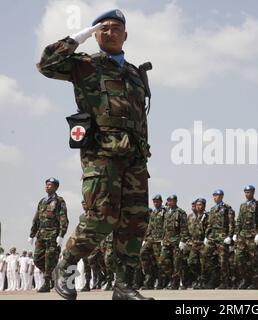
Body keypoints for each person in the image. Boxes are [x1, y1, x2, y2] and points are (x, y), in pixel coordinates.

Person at [37, 8, 153, 300]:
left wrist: (143, 152)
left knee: (134, 221)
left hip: (135, 157)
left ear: (125, 35)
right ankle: (64, 267)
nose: (109, 32)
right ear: (96, 34)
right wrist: (78, 38)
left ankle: (123, 285)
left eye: (115, 28)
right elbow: (46, 64)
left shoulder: (136, 74)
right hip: (102, 155)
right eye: (103, 28)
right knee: (101, 217)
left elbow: (140, 118)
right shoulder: (85, 65)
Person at [28, 177, 68, 292]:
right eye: (46, 184)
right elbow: (36, 219)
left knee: (50, 259)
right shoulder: (42, 201)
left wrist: (61, 235)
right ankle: (49, 276)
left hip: (53, 235)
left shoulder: (59, 201)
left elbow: (63, 219)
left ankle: (46, 283)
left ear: (56, 187)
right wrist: (32, 234)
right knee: (36, 259)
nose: (47, 186)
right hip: (41, 235)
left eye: (50, 185)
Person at [235, 185, 258, 290]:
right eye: (246, 192)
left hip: (253, 235)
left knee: (254, 260)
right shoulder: (242, 206)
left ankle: (256, 282)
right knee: (239, 258)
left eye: (249, 192)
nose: (247, 194)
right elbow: (239, 220)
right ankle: (246, 279)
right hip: (242, 235)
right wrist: (236, 233)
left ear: (253, 192)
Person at [203, 189, 236, 289]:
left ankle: (225, 282)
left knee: (223, 261)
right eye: (214, 195)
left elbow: (231, 223)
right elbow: (209, 224)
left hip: (222, 237)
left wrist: (229, 236)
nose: (215, 197)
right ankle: (214, 279)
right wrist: (206, 236)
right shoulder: (212, 209)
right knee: (206, 256)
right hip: (212, 237)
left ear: (221, 196)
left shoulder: (227, 208)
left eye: (217, 195)